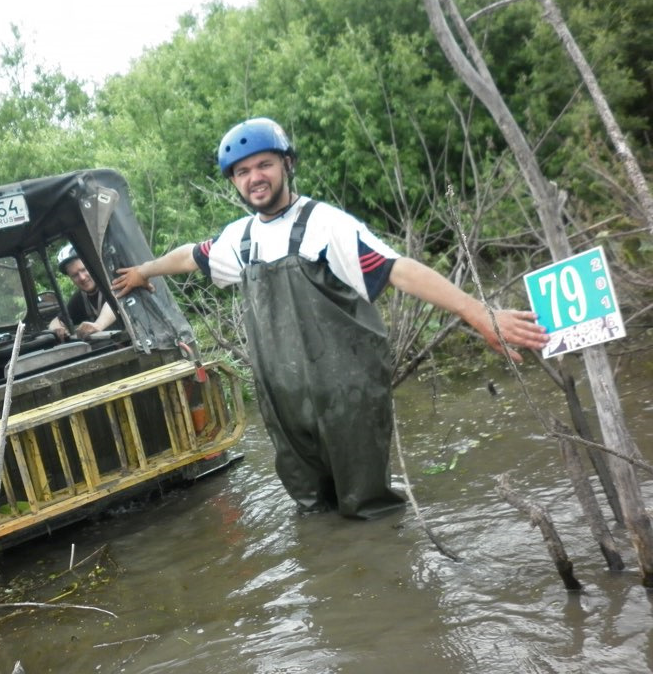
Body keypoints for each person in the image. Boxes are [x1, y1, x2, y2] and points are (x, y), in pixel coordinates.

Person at [112, 117, 550, 519]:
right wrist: (143, 272)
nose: (254, 178)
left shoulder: (326, 225)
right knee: (311, 510)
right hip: (283, 402)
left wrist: (479, 313)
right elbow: (190, 256)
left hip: (347, 395)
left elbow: (397, 270)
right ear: (233, 181)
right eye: (242, 172)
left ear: (287, 164)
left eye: (264, 165)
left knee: (369, 509)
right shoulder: (238, 238)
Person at [48, 244, 119, 341]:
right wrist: (57, 329)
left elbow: (115, 301)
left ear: (92, 265)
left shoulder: (111, 283)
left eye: (83, 270)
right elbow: (57, 320)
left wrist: (98, 325)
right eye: (75, 275)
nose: (82, 278)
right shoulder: (80, 298)